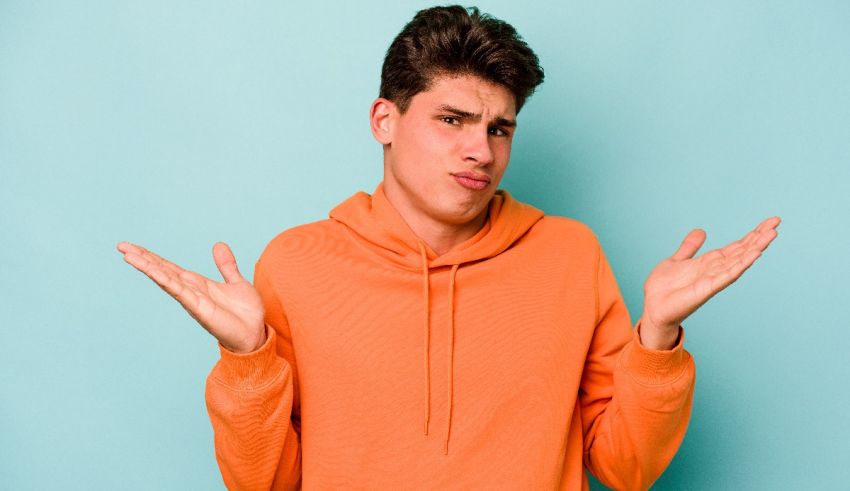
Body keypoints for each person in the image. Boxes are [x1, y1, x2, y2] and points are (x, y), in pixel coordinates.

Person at [116, 5, 780, 490]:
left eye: (500, 128)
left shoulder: (570, 254)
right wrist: (246, 360)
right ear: (385, 119)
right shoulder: (297, 263)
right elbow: (262, 483)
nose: (480, 150)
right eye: (452, 119)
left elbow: (625, 467)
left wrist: (658, 337)